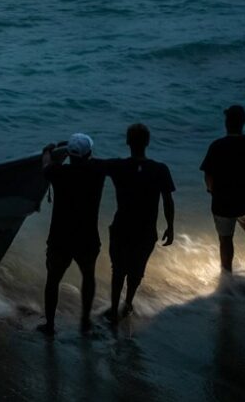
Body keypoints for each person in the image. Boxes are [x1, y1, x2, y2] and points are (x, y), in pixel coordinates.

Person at [99, 124, 175, 323]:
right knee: (136, 270)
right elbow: (168, 200)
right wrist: (170, 226)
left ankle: (114, 309)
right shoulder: (160, 169)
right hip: (146, 230)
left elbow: (89, 165)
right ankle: (128, 303)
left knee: (118, 270)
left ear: (127, 142)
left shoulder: (117, 166)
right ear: (148, 142)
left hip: (122, 227)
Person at [38, 134, 105, 336]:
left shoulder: (59, 173)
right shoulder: (97, 171)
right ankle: (85, 321)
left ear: (69, 155)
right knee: (88, 277)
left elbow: (46, 165)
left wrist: (49, 150)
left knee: (53, 280)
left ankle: (50, 325)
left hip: (61, 237)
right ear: (90, 154)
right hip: (87, 236)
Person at [200, 105, 245, 276]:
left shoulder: (217, 145)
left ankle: (227, 276)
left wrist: (210, 190)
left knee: (226, 239)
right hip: (244, 197)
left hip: (222, 200)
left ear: (227, 123)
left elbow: (208, 175)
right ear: (243, 123)